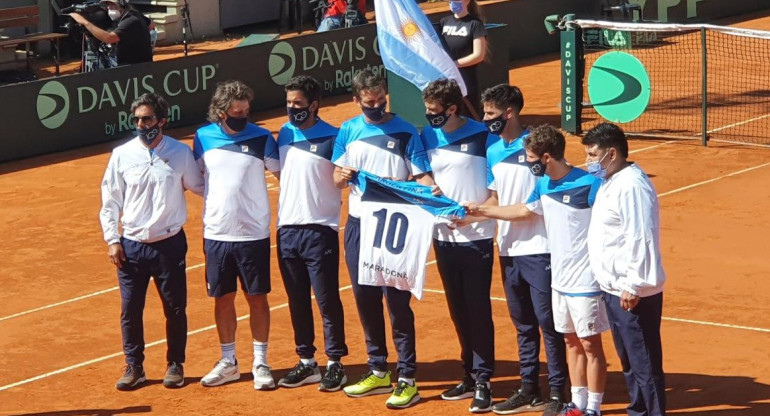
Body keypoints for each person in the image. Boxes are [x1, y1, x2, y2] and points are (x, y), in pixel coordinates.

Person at [468, 125, 609, 416]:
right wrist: (479, 212)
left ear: (545, 157)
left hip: (585, 279)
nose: (527, 161)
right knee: (569, 339)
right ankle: (576, 403)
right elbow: (523, 211)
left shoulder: (590, 184)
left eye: (530, 156)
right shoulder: (543, 184)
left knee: (589, 344)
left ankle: (591, 406)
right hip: (559, 279)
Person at [333, 68, 435, 409]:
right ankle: (378, 369)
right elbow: (336, 177)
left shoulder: (406, 130)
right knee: (365, 298)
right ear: (356, 100)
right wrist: (342, 174)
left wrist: (432, 190)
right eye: (368, 102)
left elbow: (419, 175)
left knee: (397, 303)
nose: (376, 107)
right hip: (359, 226)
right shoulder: (348, 130)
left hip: (395, 228)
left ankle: (407, 377)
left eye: (380, 101)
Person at [471, 84, 568, 416]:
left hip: (540, 249)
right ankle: (530, 388)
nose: (486, 119)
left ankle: (559, 392)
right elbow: (496, 198)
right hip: (509, 250)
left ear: (509, 112)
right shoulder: (493, 150)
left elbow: (529, 208)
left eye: (491, 114)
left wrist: (483, 212)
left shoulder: (538, 150)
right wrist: (465, 214)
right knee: (523, 324)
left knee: (548, 323)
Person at [99, 92, 204, 391]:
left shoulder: (181, 153)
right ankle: (134, 366)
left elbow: (199, 186)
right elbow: (110, 200)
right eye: (137, 120)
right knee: (130, 309)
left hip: (169, 245)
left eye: (147, 119)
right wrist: (112, 239)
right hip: (130, 245)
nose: (142, 125)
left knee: (174, 308)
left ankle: (175, 363)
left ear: (162, 121)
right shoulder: (121, 154)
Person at [194, 80, 280, 391]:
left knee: (257, 299)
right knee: (223, 298)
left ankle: (260, 362)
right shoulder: (203, 138)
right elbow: (200, 179)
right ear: (221, 111)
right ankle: (228, 362)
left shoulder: (261, 137)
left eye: (246, 110)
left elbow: (284, 174)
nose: (243, 115)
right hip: (217, 234)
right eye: (236, 111)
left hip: (253, 234)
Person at [419, 78, 496, 413]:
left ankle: (484, 380)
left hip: (476, 236)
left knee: (478, 309)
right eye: (427, 110)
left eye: (434, 111)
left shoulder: (483, 135)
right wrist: (429, 183)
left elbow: (495, 190)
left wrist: (475, 217)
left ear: (452, 108)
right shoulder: (426, 136)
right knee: (458, 309)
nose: (429, 116)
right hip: (443, 237)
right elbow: (419, 174)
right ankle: (468, 373)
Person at [582, 122, 667, 416]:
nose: (589, 162)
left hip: (631, 292)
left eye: (593, 155)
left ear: (612, 153)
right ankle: (638, 411)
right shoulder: (612, 180)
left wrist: (633, 285)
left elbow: (640, 236)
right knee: (630, 361)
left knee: (644, 363)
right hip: (613, 289)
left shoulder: (632, 186)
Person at [274, 75, 349, 392]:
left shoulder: (334, 137)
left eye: (298, 104)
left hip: (320, 230)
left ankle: (335, 363)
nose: (292, 109)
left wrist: (342, 178)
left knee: (327, 299)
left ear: (314, 105)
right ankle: (307, 362)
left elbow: (339, 180)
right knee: (297, 300)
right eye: (289, 103)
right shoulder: (284, 134)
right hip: (286, 230)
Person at [438, 0, 487, 119]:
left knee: (469, 115)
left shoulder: (475, 24)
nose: (453, 2)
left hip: (466, 81)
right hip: (446, 80)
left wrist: (454, 64)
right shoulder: (444, 22)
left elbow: (478, 55)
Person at [70, 0, 153, 66]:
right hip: (136, 63)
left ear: (122, 4)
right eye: (108, 5)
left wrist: (85, 22)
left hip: (134, 66)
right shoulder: (134, 13)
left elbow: (109, 38)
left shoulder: (130, 20)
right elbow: (151, 24)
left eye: (112, 4)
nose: (109, 7)